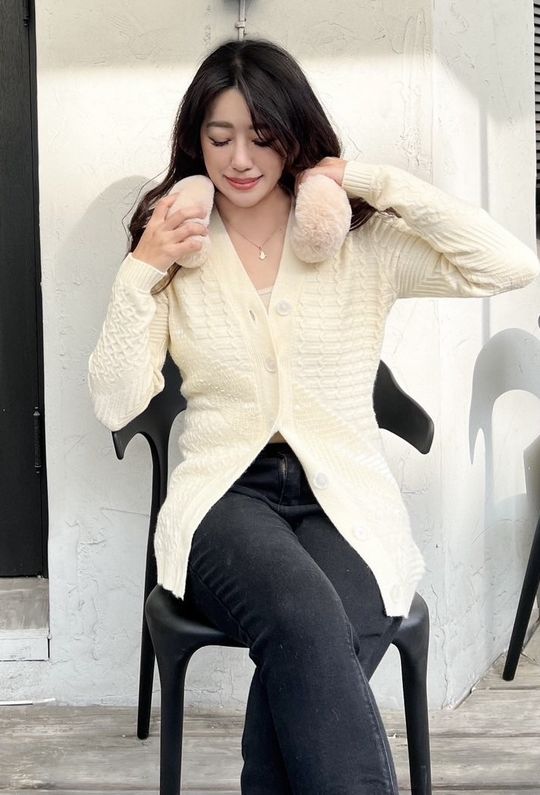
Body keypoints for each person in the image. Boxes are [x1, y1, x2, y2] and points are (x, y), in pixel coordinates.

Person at [88, 37, 540, 794]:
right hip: (224, 497)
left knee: (320, 638)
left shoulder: (356, 239)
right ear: (195, 143)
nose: (240, 160)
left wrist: (367, 181)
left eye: (262, 136)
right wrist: (143, 268)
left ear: (296, 134)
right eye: (219, 138)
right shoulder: (178, 244)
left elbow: (509, 264)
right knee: (305, 617)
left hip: (347, 497)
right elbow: (115, 398)